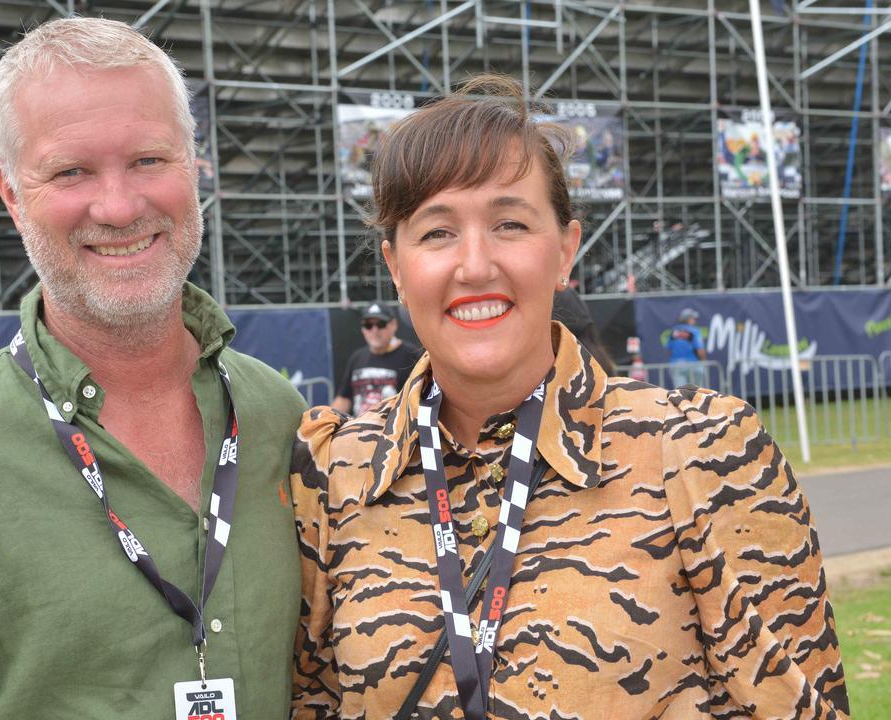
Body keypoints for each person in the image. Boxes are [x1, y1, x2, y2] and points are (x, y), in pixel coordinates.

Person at [290, 76, 848, 718]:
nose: (474, 265)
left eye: (510, 223)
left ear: (564, 251)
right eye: (437, 232)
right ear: (395, 265)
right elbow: (312, 701)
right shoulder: (333, 476)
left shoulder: (702, 454)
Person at [0, 17, 306, 719]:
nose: (119, 205)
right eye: (71, 171)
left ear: (195, 165)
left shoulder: (279, 417)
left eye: (149, 160)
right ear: (11, 193)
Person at [332, 303, 423, 416]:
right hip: (359, 430)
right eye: (368, 325)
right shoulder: (357, 358)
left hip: (395, 431)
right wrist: (330, 419)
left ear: (393, 325)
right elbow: (344, 397)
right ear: (363, 329)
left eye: (381, 324)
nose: (374, 330)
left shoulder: (412, 355)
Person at [667, 306, 707, 388]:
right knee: (696, 393)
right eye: (693, 318)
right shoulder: (694, 331)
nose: (695, 320)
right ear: (689, 319)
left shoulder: (673, 331)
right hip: (694, 365)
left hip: (676, 365)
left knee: (681, 394)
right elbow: (700, 350)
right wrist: (704, 362)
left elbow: (669, 351)